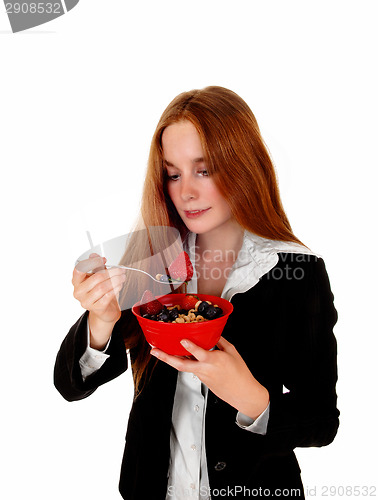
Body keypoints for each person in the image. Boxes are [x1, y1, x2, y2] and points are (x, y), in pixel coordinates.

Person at [54, 86, 339, 499]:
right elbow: (71, 385)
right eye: (173, 173)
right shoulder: (150, 260)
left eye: (203, 170)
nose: (185, 191)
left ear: (242, 165)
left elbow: (321, 422)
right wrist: (101, 320)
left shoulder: (296, 271)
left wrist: (252, 398)